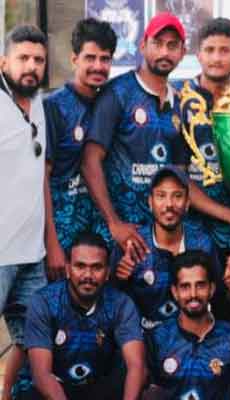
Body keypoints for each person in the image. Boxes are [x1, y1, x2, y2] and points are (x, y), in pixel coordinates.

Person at [81, 12, 230, 260]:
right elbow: (90, 160)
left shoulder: (180, 101)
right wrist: (114, 222)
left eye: (172, 45)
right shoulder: (118, 92)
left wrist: (229, 215)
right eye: (157, 44)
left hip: (162, 237)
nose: (164, 52)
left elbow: (181, 176)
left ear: (183, 52)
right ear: (143, 45)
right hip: (120, 235)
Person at [21, 232, 146, 400]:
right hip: (57, 388)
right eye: (80, 266)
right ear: (67, 269)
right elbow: (42, 375)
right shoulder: (43, 302)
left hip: (99, 386)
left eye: (97, 267)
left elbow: (136, 365)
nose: (88, 275)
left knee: (136, 377)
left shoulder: (121, 303)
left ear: (107, 272)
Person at [43, 18, 117, 282]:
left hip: (101, 236)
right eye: (90, 58)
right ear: (74, 59)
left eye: (105, 59)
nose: (98, 66)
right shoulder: (54, 107)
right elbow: (42, 177)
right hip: (63, 235)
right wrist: (51, 242)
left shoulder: (112, 102)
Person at [0, 24, 49, 399]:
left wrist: (51, 244)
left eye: (39, 60)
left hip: (33, 255)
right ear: (4, 62)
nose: (31, 66)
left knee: (36, 343)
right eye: (23, 58)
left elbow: (41, 173)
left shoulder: (41, 104)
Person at [112, 165, 222, 331]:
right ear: (150, 202)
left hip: (189, 338)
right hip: (142, 337)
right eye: (161, 196)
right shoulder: (132, 244)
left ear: (187, 203)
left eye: (177, 196)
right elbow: (111, 303)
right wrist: (119, 279)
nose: (169, 204)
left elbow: (218, 298)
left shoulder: (202, 244)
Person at [172, 17, 230, 258]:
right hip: (192, 228)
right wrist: (228, 215)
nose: (216, 58)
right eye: (209, 50)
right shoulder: (180, 99)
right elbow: (178, 176)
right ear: (198, 55)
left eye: (225, 50)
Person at [144, 250, 230, 399]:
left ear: (212, 289)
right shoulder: (158, 338)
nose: (193, 294)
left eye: (200, 285)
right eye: (185, 286)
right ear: (175, 292)